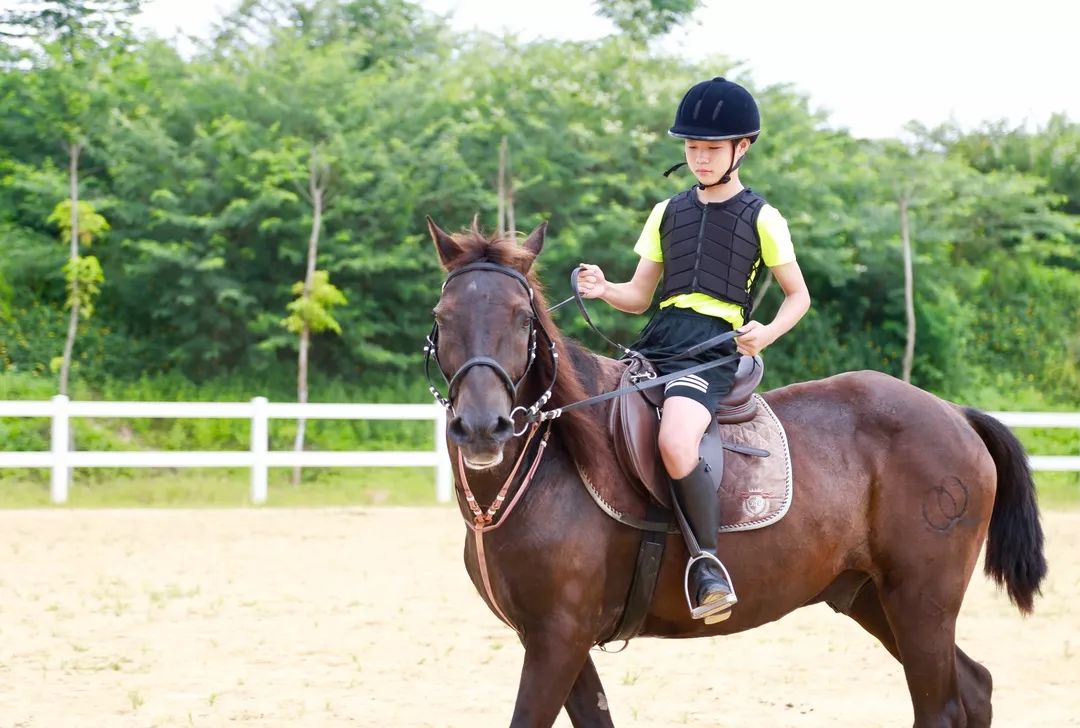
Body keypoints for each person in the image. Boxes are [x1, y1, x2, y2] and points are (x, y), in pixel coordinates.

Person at [577, 77, 811, 621]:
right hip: (658, 341)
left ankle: (707, 563)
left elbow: (798, 296)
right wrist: (603, 288)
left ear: (741, 148)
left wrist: (767, 332)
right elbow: (639, 296)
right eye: (691, 148)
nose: (699, 158)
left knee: (678, 442)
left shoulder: (762, 217)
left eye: (710, 149)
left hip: (712, 351)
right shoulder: (666, 212)